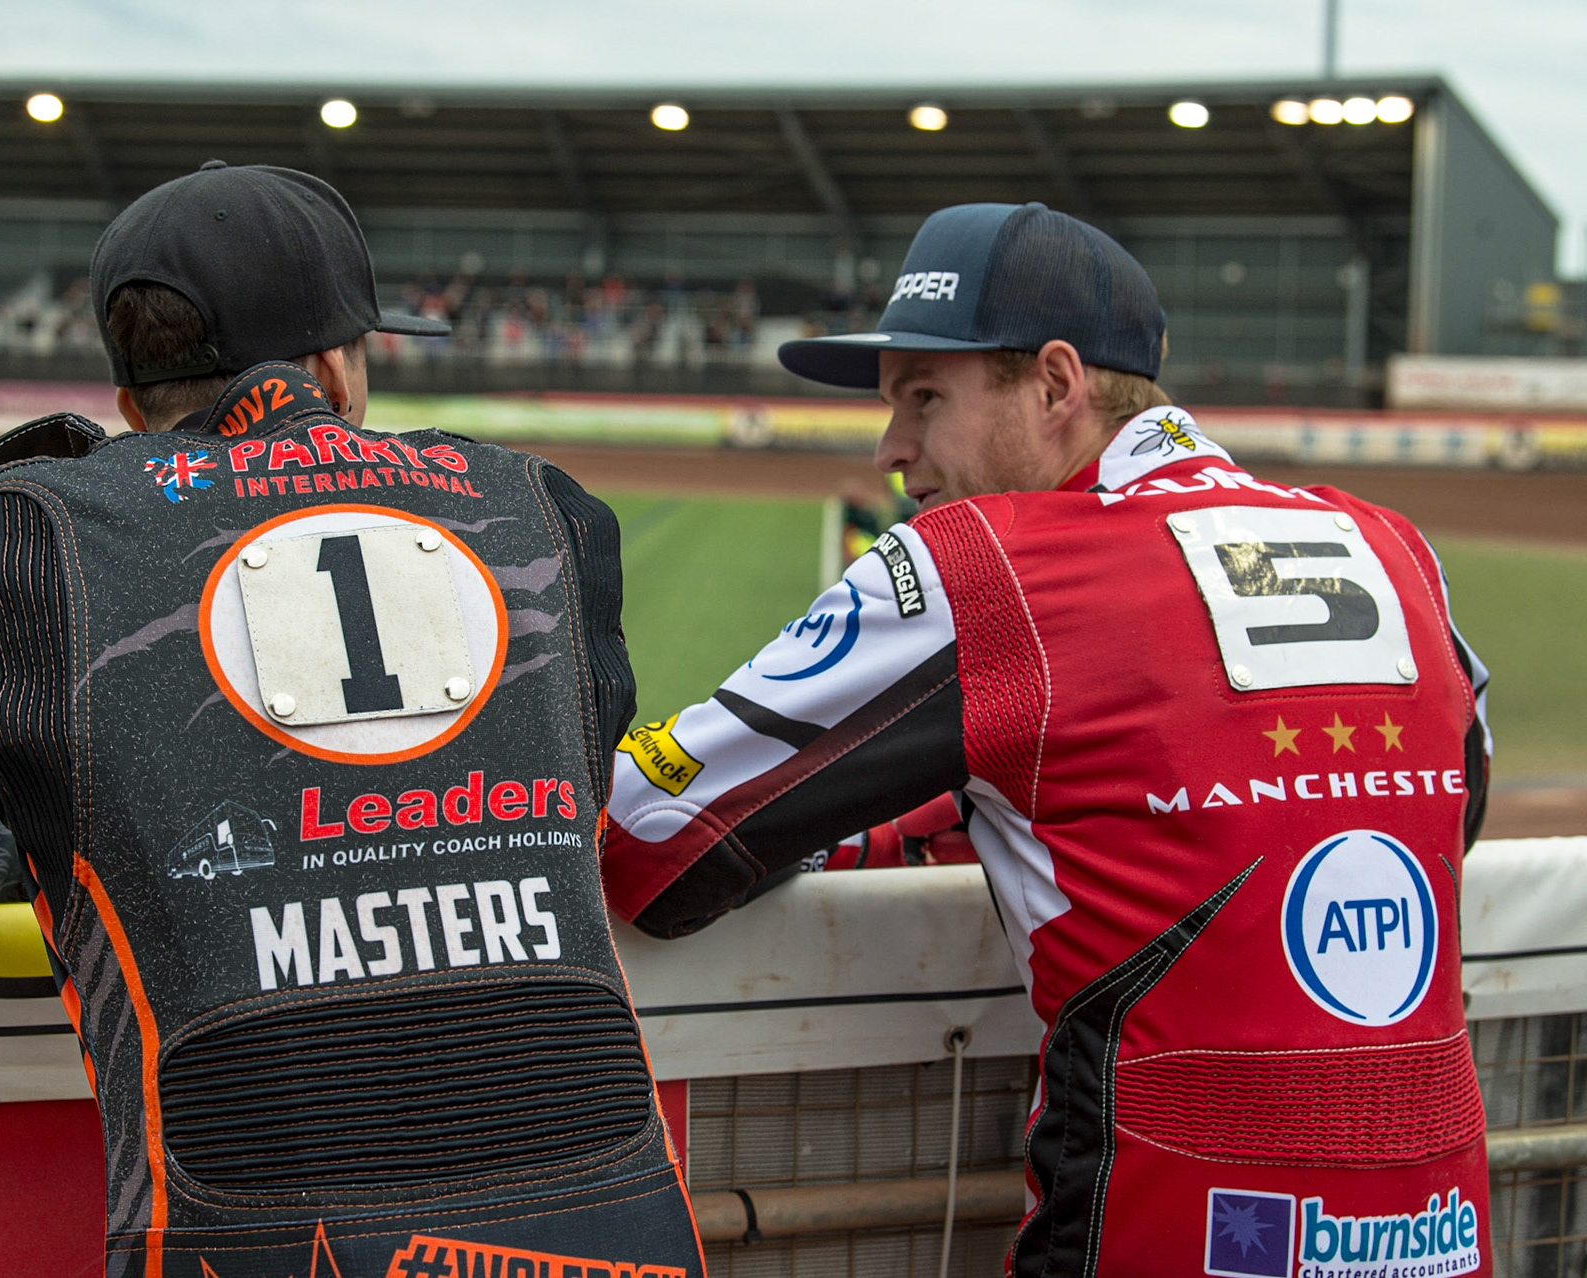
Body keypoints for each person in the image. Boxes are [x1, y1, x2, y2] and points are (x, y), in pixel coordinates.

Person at [0, 162, 705, 1278]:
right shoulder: (547, 510)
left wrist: (29, 847)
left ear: (132, 403)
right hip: (620, 1232)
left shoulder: (21, 533)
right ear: (337, 368)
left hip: (253, 1240)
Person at [603, 203, 1492, 1276]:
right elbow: (1457, 807)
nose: (893, 451)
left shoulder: (984, 561)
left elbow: (652, 841)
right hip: (1443, 1234)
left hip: (1168, 1236)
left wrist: (884, 832)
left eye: (924, 399)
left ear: (1058, 385)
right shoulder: (1392, 545)